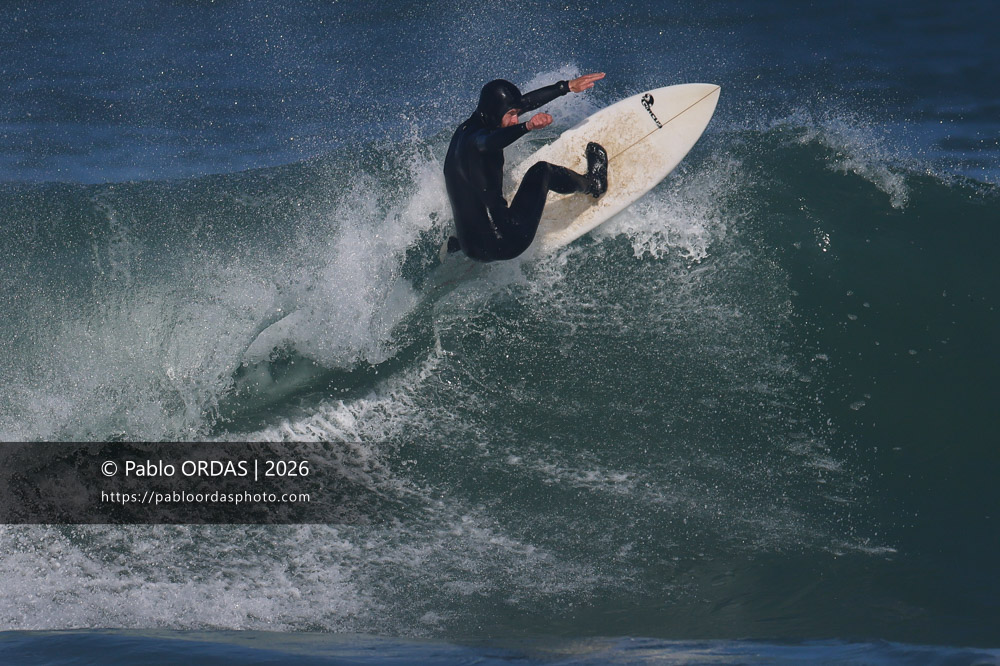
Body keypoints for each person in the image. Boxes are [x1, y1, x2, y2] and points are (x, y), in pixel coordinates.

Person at [443, 72, 609, 262]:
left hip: (470, 246)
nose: (515, 119)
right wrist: (527, 127)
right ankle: (594, 184)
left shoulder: (462, 134)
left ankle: (457, 245)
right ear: (495, 112)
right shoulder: (480, 141)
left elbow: (524, 103)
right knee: (542, 171)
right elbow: (488, 142)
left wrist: (566, 87)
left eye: (517, 114)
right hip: (505, 242)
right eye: (511, 115)